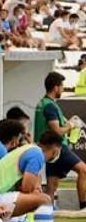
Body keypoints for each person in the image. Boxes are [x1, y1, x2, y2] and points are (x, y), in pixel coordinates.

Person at [35, 71, 86, 211]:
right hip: (56, 146)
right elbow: (57, 130)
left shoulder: (42, 103)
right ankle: (83, 207)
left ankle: (48, 211)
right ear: (56, 87)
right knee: (84, 170)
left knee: (52, 184)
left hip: (46, 147)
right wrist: (70, 125)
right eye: (62, 86)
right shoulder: (50, 106)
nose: (63, 89)